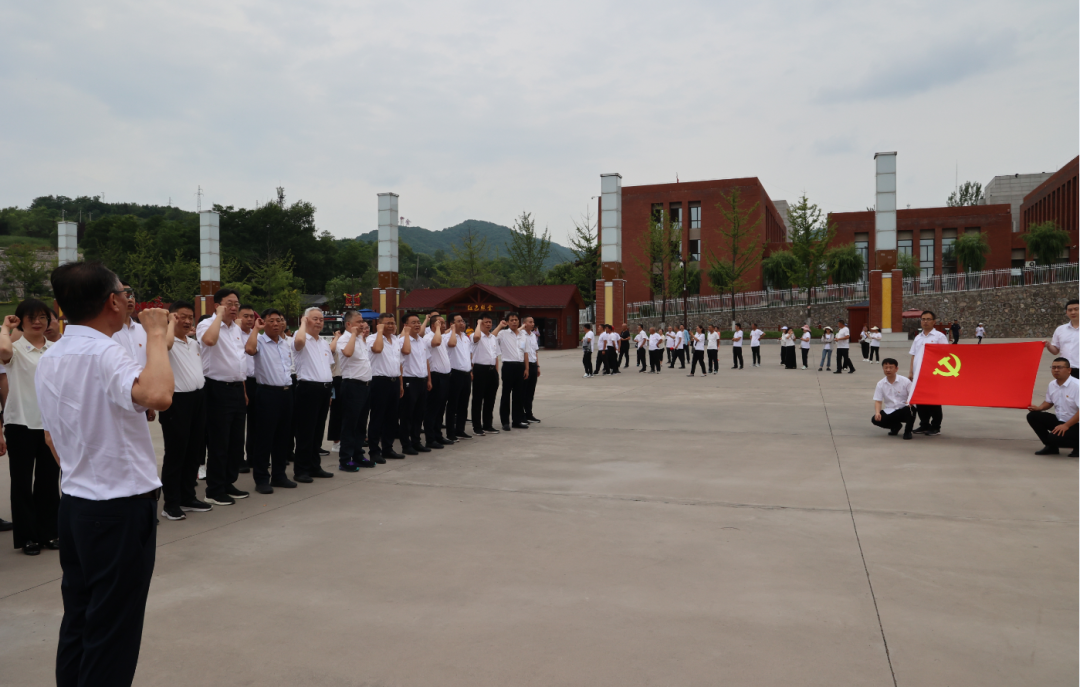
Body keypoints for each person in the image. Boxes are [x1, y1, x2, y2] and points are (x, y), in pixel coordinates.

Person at [39, 261, 174, 687]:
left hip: (78, 505)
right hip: (118, 509)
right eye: (125, 292)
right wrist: (155, 335)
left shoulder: (54, 353)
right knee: (113, 632)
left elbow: (53, 439)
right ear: (113, 301)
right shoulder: (105, 352)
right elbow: (157, 395)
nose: (130, 300)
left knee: (80, 620)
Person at [0, 300, 59, 555]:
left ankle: (49, 532)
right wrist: (5, 327)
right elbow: (2, 351)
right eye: (31, 317)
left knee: (48, 481)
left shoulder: (56, 349)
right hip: (20, 423)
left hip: (51, 425)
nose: (37, 322)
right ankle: (27, 537)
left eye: (42, 317)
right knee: (22, 482)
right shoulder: (15, 349)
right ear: (21, 321)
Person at [159, 301, 213, 519]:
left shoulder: (193, 343)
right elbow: (167, 345)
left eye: (190, 316)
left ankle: (187, 496)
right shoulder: (165, 340)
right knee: (176, 453)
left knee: (194, 451)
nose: (188, 320)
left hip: (198, 399)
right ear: (171, 317)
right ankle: (170, 503)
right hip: (177, 402)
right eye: (181, 316)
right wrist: (170, 323)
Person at [197, 288, 250, 506]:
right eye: (229, 303)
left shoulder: (235, 330)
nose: (234, 307)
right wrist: (218, 316)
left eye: (236, 303)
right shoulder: (206, 325)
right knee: (220, 441)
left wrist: (244, 391)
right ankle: (214, 489)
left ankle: (229, 482)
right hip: (217, 389)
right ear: (217, 305)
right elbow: (209, 341)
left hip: (237, 389)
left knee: (237, 442)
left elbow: (239, 362)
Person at [244, 308, 303, 488]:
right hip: (267, 393)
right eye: (271, 321)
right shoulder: (260, 341)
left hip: (287, 393)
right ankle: (261, 479)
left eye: (279, 320)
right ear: (263, 322)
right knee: (264, 437)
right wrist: (256, 329)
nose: (276, 324)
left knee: (283, 437)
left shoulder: (285, 343)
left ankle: (279, 476)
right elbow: (249, 349)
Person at [291, 308, 336, 479]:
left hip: (324, 389)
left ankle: (314, 466)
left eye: (321, 319)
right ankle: (301, 469)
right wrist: (302, 323)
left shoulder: (323, 342)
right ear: (305, 320)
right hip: (308, 389)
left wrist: (329, 392)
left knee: (317, 431)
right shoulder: (300, 337)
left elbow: (328, 367)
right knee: (305, 432)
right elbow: (299, 342)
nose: (319, 322)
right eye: (314, 319)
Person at [368, 313, 409, 458]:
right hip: (379, 382)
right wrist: (379, 332)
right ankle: (374, 450)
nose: (391, 326)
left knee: (392, 418)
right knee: (377, 417)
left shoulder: (396, 340)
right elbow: (377, 349)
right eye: (387, 323)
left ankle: (388, 448)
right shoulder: (373, 339)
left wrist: (401, 384)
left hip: (394, 381)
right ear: (379, 324)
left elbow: (399, 364)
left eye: (393, 323)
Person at [1026, 358, 1078, 457]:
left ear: (1069, 370)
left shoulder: (1077, 386)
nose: (1056, 370)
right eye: (1053, 367)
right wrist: (1039, 408)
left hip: (1076, 424)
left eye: (1060, 367)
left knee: (1054, 437)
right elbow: (1049, 402)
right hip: (1061, 420)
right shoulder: (1052, 384)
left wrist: (1066, 425)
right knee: (1033, 416)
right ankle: (1051, 447)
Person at [908, 310, 949, 436]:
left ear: (934, 321)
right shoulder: (918, 337)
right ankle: (924, 424)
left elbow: (945, 354)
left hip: (933, 374)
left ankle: (936, 426)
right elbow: (913, 355)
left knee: (933, 401)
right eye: (923, 319)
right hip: (919, 374)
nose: (925, 321)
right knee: (920, 400)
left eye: (928, 319)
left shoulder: (939, 336)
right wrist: (911, 372)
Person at [399, 314, 431, 455]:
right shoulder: (401, 341)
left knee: (419, 414)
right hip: (409, 381)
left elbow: (426, 361)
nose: (417, 325)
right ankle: (406, 444)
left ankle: (416, 442)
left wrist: (429, 380)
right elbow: (399, 364)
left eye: (418, 322)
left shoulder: (422, 341)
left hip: (422, 381)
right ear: (406, 325)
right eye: (413, 322)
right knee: (407, 415)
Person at [424, 315, 456, 448]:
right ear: (434, 325)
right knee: (432, 409)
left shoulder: (441, 337)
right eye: (441, 323)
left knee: (440, 408)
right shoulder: (429, 337)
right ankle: (430, 439)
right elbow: (435, 343)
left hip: (445, 376)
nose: (444, 326)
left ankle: (438, 435)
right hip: (436, 377)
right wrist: (437, 328)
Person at [498, 312, 529, 431]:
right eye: (512, 320)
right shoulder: (503, 334)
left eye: (516, 320)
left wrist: (526, 368)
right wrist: (500, 326)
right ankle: (505, 421)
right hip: (508, 366)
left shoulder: (523, 335)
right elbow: (492, 336)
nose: (514, 322)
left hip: (520, 366)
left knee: (518, 395)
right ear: (507, 322)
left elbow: (525, 353)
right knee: (506, 394)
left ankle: (517, 420)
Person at [471, 315, 501, 435]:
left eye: (490, 322)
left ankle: (488, 424)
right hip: (480, 369)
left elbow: (496, 355)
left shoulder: (493, 338)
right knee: (478, 399)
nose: (488, 324)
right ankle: (477, 427)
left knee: (490, 399)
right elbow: (477, 336)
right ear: (479, 323)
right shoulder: (475, 336)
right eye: (485, 322)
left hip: (491, 370)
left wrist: (496, 372)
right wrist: (478, 324)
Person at [871, 358, 916, 440]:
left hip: (904, 408)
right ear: (883, 369)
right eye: (886, 367)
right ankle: (896, 426)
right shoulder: (880, 384)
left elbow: (913, 395)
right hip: (890, 410)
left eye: (891, 367)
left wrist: (910, 402)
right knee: (875, 419)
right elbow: (878, 400)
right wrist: (877, 412)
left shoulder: (905, 381)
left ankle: (908, 432)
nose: (888, 370)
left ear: (896, 369)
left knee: (911, 410)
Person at [238, 304, 258, 474]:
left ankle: (253, 456)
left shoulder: (255, 335)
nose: (250, 319)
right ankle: (238, 458)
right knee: (238, 424)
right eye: (246, 316)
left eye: (252, 316)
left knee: (255, 423)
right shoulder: (234, 336)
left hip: (256, 381)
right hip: (241, 381)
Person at [447, 314, 474, 438]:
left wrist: (470, 370)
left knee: (464, 403)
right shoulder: (448, 337)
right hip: (455, 373)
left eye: (463, 321)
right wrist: (453, 331)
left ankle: (460, 429)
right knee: (453, 404)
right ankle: (450, 432)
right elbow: (452, 345)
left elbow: (468, 356)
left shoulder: (466, 338)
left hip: (466, 374)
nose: (462, 323)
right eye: (459, 321)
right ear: (452, 323)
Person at [111, 280, 147, 369]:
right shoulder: (107, 331)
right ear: (113, 299)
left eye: (132, 296)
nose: (130, 299)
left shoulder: (144, 329)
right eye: (125, 296)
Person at [1046, 299, 1079, 378]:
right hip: (1065, 370)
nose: (1073, 312)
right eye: (1070, 310)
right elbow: (1055, 351)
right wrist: (1048, 345)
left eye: (1076, 309)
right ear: (1066, 312)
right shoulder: (1060, 329)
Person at [521, 316, 541, 423]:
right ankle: (522, 414)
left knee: (530, 391)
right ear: (524, 323)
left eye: (533, 322)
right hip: (525, 365)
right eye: (530, 322)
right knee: (523, 391)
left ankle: (529, 413)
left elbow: (535, 352)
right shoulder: (520, 335)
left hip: (533, 365)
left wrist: (537, 366)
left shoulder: (533, 335)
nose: (532, 324)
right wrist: (526, 368)